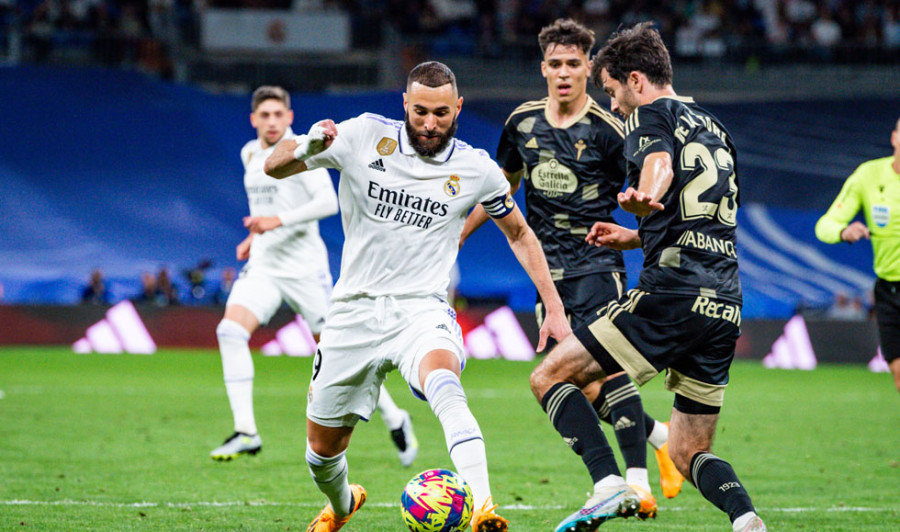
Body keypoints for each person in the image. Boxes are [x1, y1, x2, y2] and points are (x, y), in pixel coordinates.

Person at [265, 61, 570, 532]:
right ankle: (344, 505)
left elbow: (520, 233)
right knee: (322, 453)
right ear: (405, 104)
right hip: (352, 313)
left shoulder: (476, 168)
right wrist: (308, 144)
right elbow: (275, 165)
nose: (430, 124)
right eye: (421, 111)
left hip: (421, 310)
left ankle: (484, 508)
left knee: (444, 383)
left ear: (458, 108)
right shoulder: (363, 135)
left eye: (442, 114)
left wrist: (553, 305)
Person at [529, 22, 767, 532]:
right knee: (688, 450)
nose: (613, 106)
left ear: (635, 80)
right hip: (724, 302)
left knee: (550, 376)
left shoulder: (651, 113)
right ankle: (746, 519)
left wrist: (645, 194)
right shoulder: (714, 128)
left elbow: (656, 165)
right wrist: (636, 234)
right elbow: (705, 218)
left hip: (671, 294)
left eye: (612, 92)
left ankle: (609, 485)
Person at [459, 18, 682, 516]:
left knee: (599, 366)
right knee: (579, 381)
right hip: (548, 277)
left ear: (588, 68)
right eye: (555, 64)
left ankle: (635, 484)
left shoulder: (608, 130)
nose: (564, 73)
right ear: (543, 68)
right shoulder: (522, 124)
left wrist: (644, 208)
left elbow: (646, 181)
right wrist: (456, 235)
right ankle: (662, 438)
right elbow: (501, 189)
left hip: (597, 264)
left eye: (574, 64)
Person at [211, 86, 420, 469]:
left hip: (307, 272)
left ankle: (395, 418)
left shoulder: (303, 148)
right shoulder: (249, 153)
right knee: (229, 331)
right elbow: (266, 204)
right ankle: (246, 431)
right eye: (265, 115)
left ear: (290, 118)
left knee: (343, 356)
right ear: (253, 119)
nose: (272, 122)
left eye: (279, 115)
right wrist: (254, 234)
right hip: (265, 265)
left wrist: (274, 222)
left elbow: (325, 202)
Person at [815, 115, 900, 392]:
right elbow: (824, 225)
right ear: (894, 137)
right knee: (898, 372)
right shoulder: (869, 175)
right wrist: (843, 232)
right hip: (889, 291)